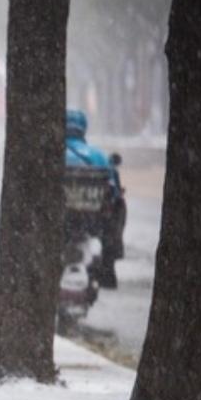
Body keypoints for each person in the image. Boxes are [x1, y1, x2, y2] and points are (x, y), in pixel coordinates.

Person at [65, 108, 126, 288]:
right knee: (119, 205)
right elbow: (114, 193)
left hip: (61, 218)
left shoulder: (51, 155)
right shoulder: (98, 156)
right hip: (94, 220)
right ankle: (109, 262)